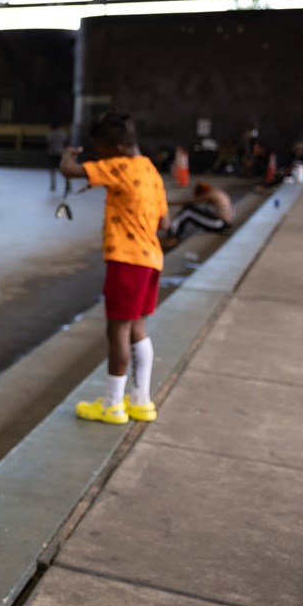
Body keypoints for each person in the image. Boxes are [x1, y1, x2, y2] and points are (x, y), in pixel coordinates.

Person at [59, 113, 169, 425]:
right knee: (137, 327)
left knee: (117, 330)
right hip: (151, 260)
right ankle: (141, 400)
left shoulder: (119, 166)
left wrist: (69, 153)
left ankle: (112, 404)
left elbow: (69, 170)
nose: (99, 156)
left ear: (118, 147)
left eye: (102, 150)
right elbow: (164, 221)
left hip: (126, 260)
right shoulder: (150, 170)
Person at [161, 181, 232, 249]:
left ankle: (173, 236)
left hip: (219, 223)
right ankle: (174, 234)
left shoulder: (211, 194)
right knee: (190, 211)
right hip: (221, 223)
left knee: (187, 212)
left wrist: (167, 203)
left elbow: (189, 201)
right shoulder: (217, 192)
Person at [46, 123, 71, 194]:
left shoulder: (51, 134)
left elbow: (48, 144)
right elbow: (66, 142)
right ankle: (68, 184)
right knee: (63, 169)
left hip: (52, 154)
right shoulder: (62, 133)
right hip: (60, 153)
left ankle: (53, 185)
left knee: (52, 170)